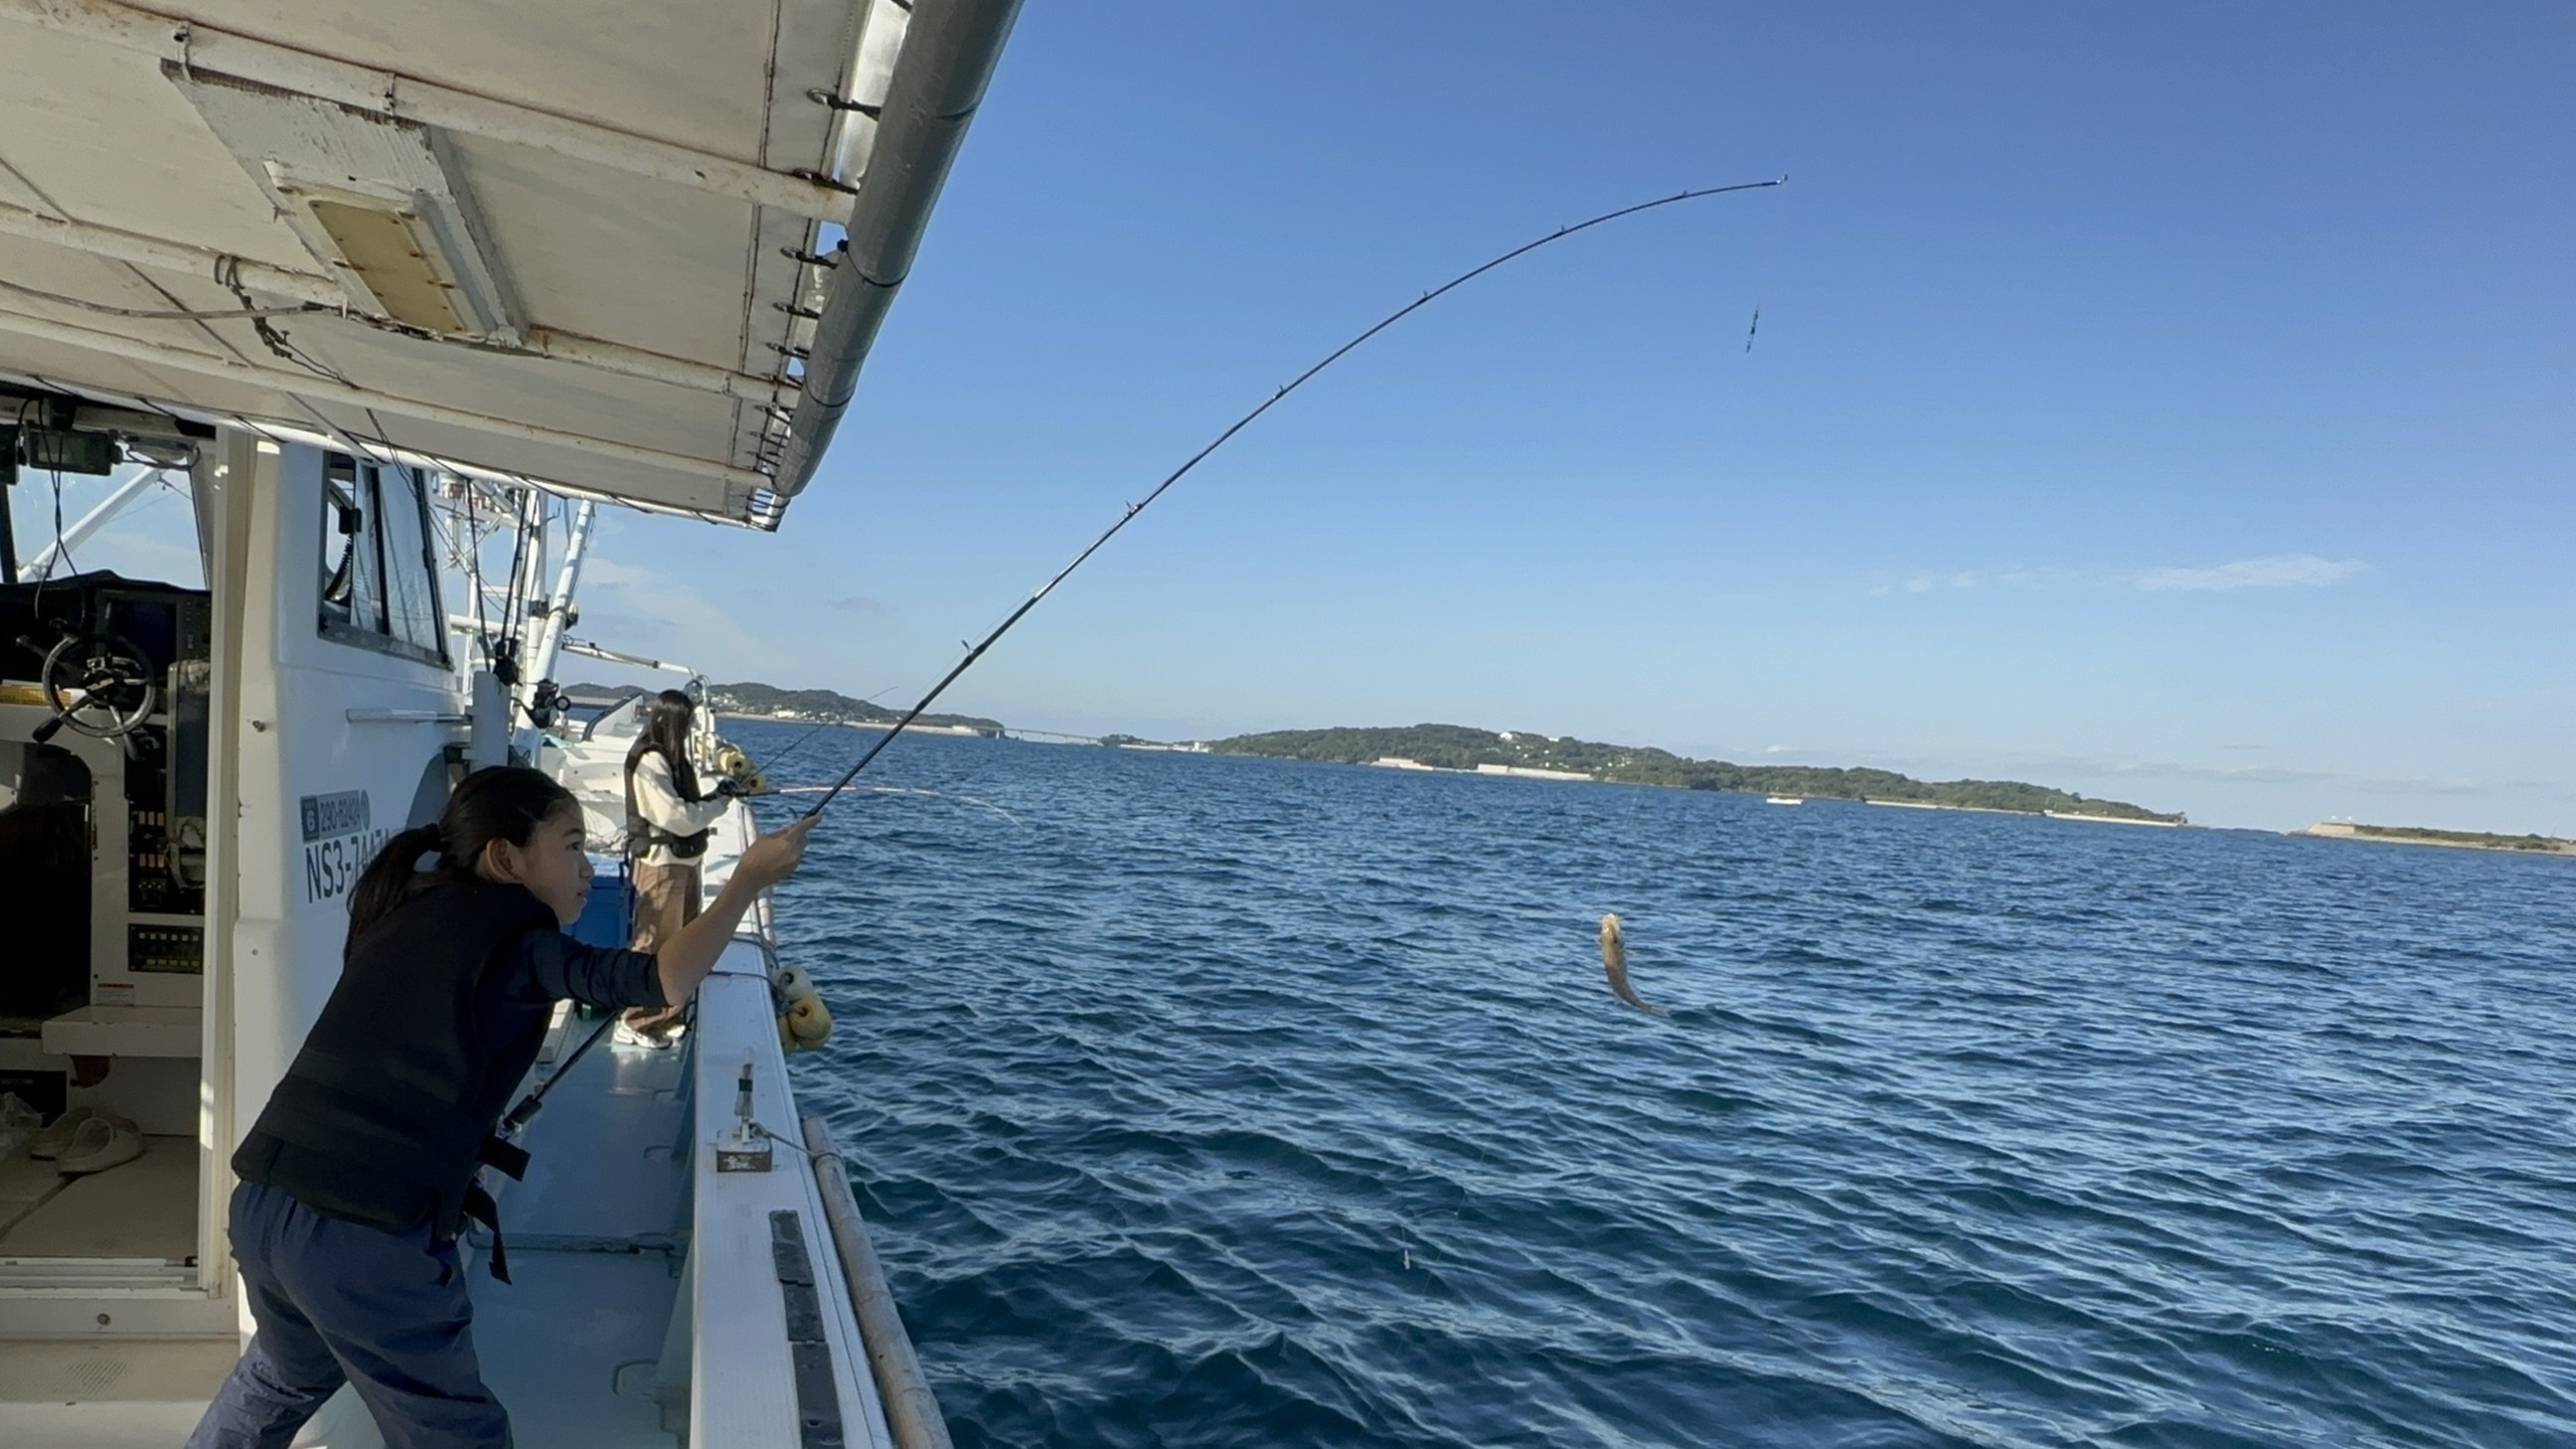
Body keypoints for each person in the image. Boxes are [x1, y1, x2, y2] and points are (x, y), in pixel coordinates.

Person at [186, 765, 815, 1449]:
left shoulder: (402, 912)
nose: (587, 867)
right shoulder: (522, 942)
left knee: (283, 1378)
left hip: (265, 1203)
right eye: (571, 845)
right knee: (457, 1434)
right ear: (506, 859)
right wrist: (747, 879)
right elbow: (666, 979)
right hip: (359, 1238)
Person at [619, 689, 740, 1043]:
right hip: (661, 866)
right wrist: (718, 805)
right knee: (654, 944)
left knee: (681, 942)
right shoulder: (650, 760)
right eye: (684, 723)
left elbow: (686, 807)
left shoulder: (669, 758)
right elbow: (678, 818)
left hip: (682, 863)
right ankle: (635, 1020)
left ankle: (666, 1013)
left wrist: (716, 796)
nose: (687, 731)